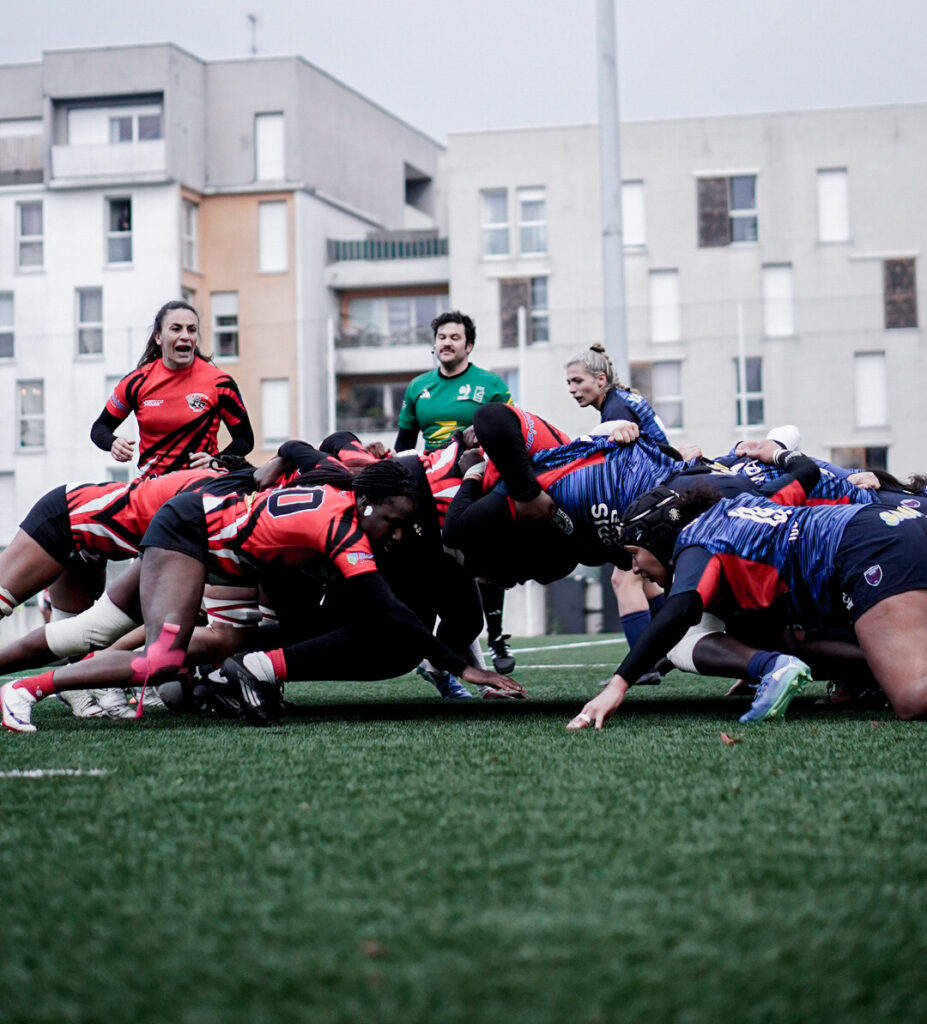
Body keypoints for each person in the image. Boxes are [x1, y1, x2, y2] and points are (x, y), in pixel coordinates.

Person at [2, 461, 524, 733]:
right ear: (368, 504)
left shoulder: (345, 489)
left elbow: (302, 452)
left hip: (235, 556)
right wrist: (460, 665)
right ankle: (26, 689)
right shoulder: (340, 526)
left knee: (226, 642)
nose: (394, 534)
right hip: (191, 534)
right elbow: (384, 608)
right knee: (158, 657)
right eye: (392, 522)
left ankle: (207, 682)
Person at [567, 453, 927, 730]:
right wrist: (777, 454)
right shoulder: (743, 501)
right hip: (883, 531)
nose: (634, 568)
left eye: (633, 554)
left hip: (868, 548)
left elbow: (680, 611)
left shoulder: (696, 542)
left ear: (658, 538)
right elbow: (806, 474)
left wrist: (617, 686)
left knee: (912, 700)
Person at [394, 310, 516, 673]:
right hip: (430, 485)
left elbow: (512, 431)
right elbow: (404, 444)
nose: (447, 342)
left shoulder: (490, 384)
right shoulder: (418, 387)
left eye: (455, 337)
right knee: (442, 568)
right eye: (442, 337)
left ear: (469, 345)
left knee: (482, 560)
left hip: (474, 480)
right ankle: (444, 658)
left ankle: (495, 637)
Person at [90, 299, 254, 478]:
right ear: (158, 337)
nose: (185, 336)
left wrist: (218, 461)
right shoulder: (136, 382)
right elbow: (100, 428)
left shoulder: (219, 382)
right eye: (176, 329)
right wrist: (113, 443)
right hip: (151, 490)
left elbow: (245, 440)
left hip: (199, 487)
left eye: (191, 330)